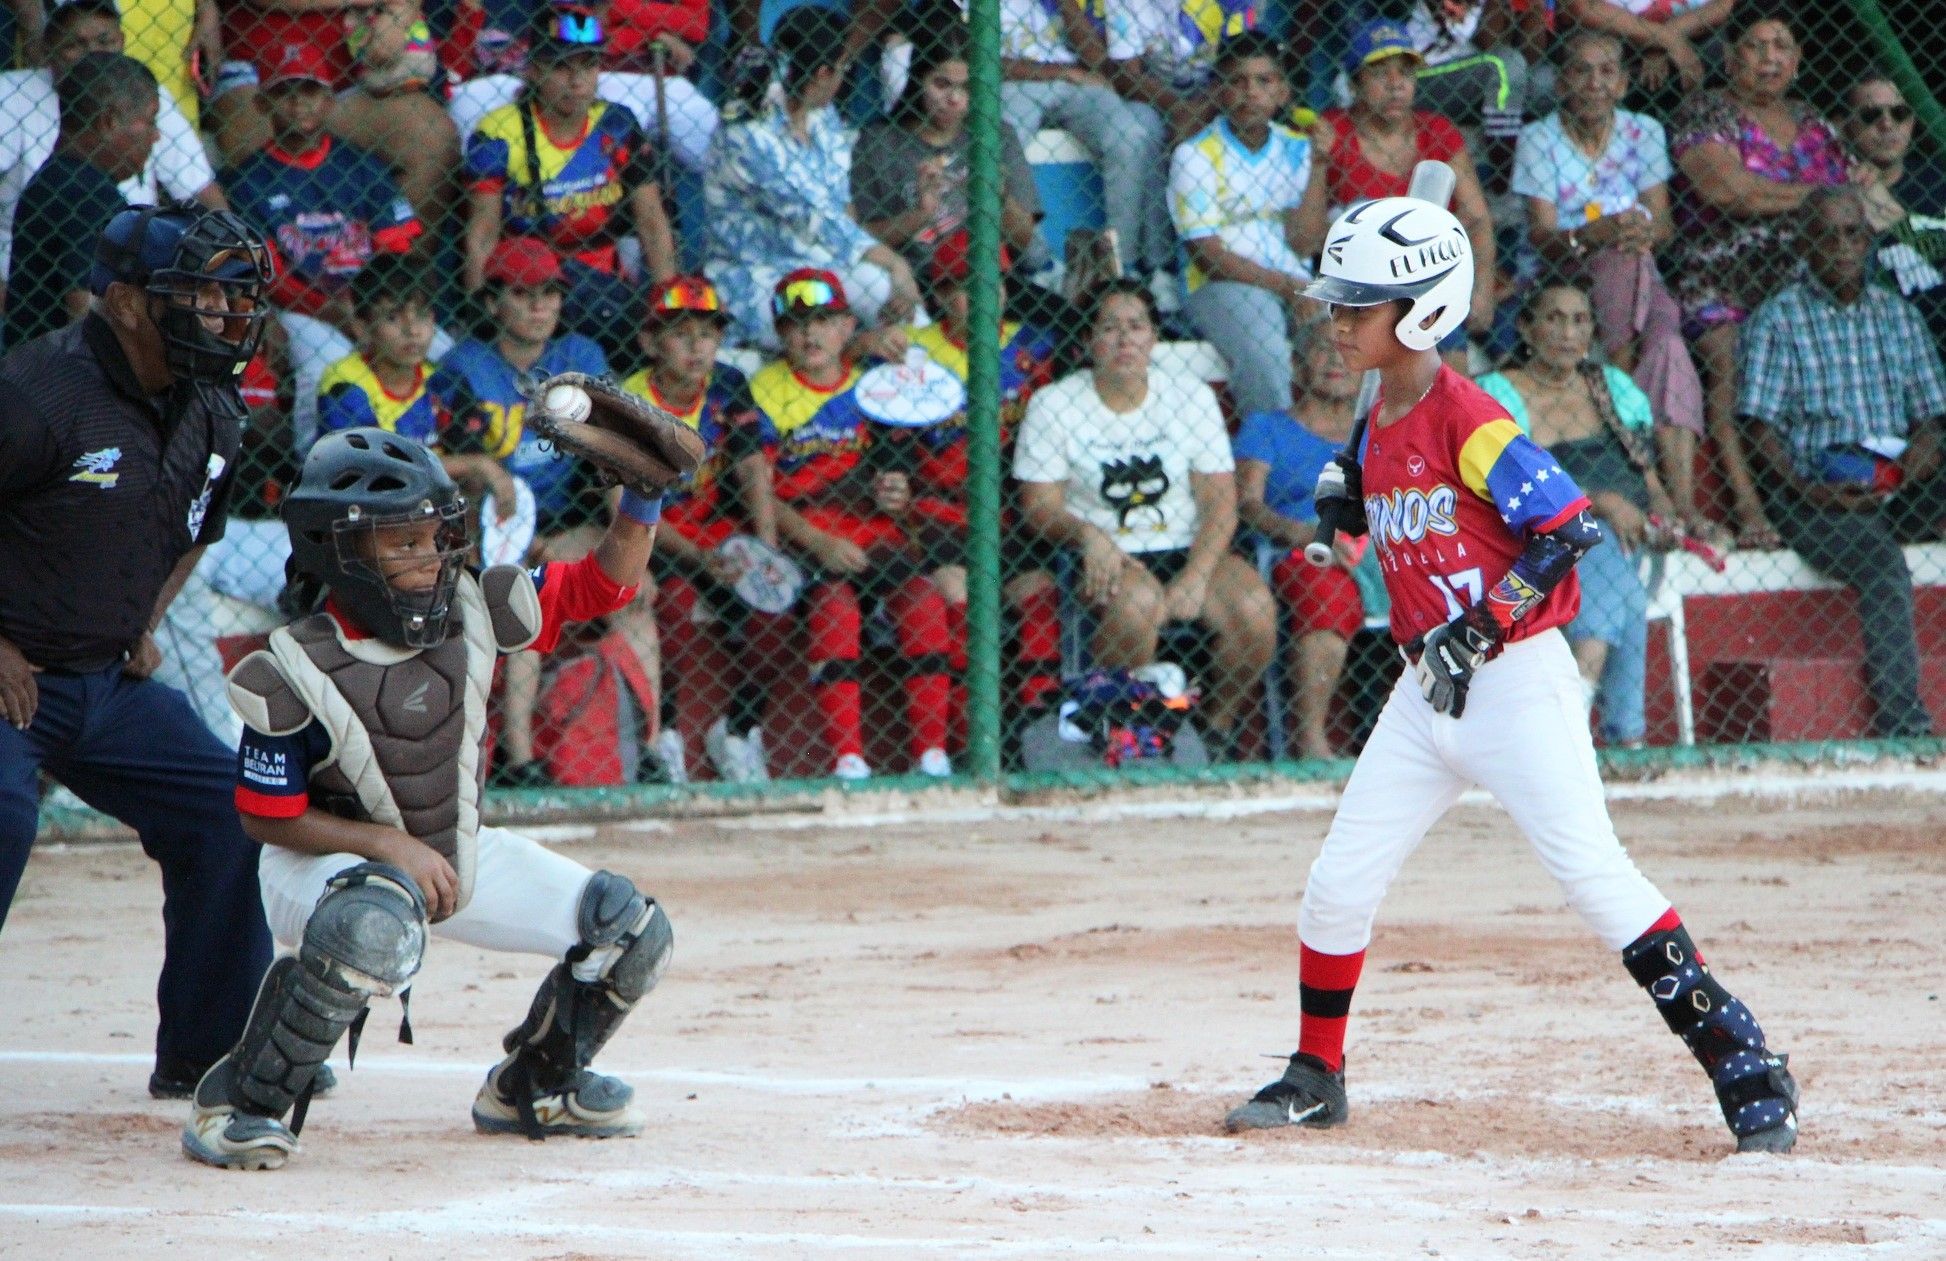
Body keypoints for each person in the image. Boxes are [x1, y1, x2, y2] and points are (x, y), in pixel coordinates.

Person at [1222, 195, 1801, 1154]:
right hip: (1426, 690)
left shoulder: (1468, 414)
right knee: (1336, 884)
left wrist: (1482, 628)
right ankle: (1316, 1074)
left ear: (1420, 313)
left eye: (1358, 305)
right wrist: (1336, 528)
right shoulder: (1383, 400)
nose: (1337, 320)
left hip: (1515, 681)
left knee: (1594, 877)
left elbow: (1566, 527)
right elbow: (1357, 475)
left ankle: (1744, 1061)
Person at [180, 427, 676, 1168]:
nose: (430, 558)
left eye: (436, 536)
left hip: (447, 855)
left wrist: (643, 498)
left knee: (629, 929)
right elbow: (263, 814)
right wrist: (386, 845)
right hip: (317, 873)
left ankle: (535, 1085)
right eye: (402, 543)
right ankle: (241, 1102)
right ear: (341, 551)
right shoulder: (295, 666)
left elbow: (606, 585)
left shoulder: (474, 607)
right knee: (371, 923)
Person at [0, 205, 278, 1100]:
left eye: (237, 298)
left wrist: (142, 619)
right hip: (12, 679)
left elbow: (195, 525)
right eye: (202, 296)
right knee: (3, 815)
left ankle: (210, 1055)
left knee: (231, 813)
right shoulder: (36, 394)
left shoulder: (215, 407)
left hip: (106, 682)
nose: (229, 318)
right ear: (124, 302)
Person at [1015, 278, 1277, 761]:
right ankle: (1121, 726)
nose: (1124, 339)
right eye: (1109, 327)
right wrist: (1087, 534)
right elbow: (1040, 507)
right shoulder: (1053, 404)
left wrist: (1196, 576)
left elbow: (1221, 501)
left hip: (1188, 545)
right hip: (1105, 553)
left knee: (1255, 613)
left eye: (1136, 326)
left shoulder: (1190, 397)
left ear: (1155, 337)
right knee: (1137, 604)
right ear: (1087, 340)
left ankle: (1210, 731)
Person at [1739, 187, 1946, 740]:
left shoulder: (1897, 316)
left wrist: (1906, 473)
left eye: (1854, 232)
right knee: (1882, 568)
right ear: (1806, 243)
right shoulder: (1778, 319)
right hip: (1819, 495)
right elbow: (1758, 428)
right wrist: (1810, 491)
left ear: (1870, 239)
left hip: (1898, 481)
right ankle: (1905, 727)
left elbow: (1931, 420)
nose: (1843, 245)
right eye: (1827, 234)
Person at [430, 238, 629, 788]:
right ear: (494, 303)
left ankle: (652, 749)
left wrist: (629, 540)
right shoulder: (463, 367)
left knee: (637, 591)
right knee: (525, 593)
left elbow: (611, 455)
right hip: (488, 527)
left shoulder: (580, 359)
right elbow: (443, 469)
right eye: (522, 294)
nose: (540, 306)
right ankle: (520, 760)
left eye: (550, 294)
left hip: (568, 523)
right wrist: (496, 515)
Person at [752, 269, 958, 780]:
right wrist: (819, 541)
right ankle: (849, 759)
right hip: (808, 535)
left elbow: (903, 469)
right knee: (835, 607)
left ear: (846, 326)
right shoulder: (765, 389)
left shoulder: (875, 383)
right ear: (780, 335)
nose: (810, 335)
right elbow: (758, 494)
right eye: (797, 324)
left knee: (923, 602)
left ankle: (932, 755)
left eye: (824, 321)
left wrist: (899, 493)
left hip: (874, 532)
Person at [1668, 1, 1849, 549]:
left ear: (1797, 60)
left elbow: (1848, 207)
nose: (1770, 58)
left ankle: (1827, 496)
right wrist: (1820, 198)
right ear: (1730, 56)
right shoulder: (1705, 112)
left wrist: (1820, 202)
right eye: (1756, 45)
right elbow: (1730, 192)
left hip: (1803, 279)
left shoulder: (1815, 122)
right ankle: (1749, 511)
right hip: (1724, 275)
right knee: (1729, 368)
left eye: (1783, 47)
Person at [1513, 30, 1709, 532]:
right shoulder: (1540, 137)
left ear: (1624, 83)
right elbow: (1542, 235)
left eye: (1606, 72)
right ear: (1561, 82)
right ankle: (1617, 379)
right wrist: (1593, 233)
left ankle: (1681, 504)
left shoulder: (1643, 131)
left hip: (1635, 264)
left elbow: (1662, 226)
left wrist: (1639, 229)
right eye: (1581, 70)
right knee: (1624, 266)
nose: (1594, 83)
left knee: (1668, 344)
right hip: (1567, 267)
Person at [1478, 279, 1688, 747]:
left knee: (1611, 565)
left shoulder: (1610, 387)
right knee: (1598, 553)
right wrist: (1603, 502)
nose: (1568, 332)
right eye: (1553, 318)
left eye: (1580, 320)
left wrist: (1662, 513)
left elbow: (1648, 479)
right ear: (1526, 329)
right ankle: (1615, 734)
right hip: (1533, 536)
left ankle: (1584, 722)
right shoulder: (1497, 393)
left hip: (1622, 536)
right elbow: (1512, 484)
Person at [222, 40, 425, 451]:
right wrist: (336, 313)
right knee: (323, 365)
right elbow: (272, 276)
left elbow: (397, 249)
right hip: (301, 309)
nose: (299, 104)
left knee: (440, 352)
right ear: (263, 103)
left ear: (330, 101)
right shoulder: (246, 182)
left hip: (376, 302)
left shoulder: (362, 166)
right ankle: (311, 468)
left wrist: (376, 309)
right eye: (286, 93)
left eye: (311, 92)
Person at [620, 275, 777, 783]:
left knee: (773, 596)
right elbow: (620, 506)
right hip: (649, 533)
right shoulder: (627, 400)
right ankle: (665, 736)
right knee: (678, 599)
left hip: (714, 529)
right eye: (680, 333)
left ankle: (737, 728)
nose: (696, 346)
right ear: (649, 342)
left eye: (707, 334)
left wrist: (766, 551)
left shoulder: (728, 384)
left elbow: (753, 467)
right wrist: (697, 556)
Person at [463, 6, 677, 358]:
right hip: (528, 287)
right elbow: (482, 235)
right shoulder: (497, 133)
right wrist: (482, 323)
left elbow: (652, 222)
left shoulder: (618, 125)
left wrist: (667, 312)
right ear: (533, 69)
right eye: (562, 66)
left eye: (588, 65)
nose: (577, 81)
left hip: (606, 285)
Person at [703, 5, 920, 352]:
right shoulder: (747, 131)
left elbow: (842, 208)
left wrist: (888, 269)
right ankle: (861, 346)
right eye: (842, 68)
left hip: (823, 261)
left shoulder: (823, 116)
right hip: (757, 276)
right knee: (852, 300)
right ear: (822, 73)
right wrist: (895, 260)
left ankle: (922, 381)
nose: (843, 76)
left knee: (885, 290)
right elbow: (818, 215)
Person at [0, 0, 224, 315]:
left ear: (121, 39)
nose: (94, 53)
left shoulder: (61, 175)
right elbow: (86, 318)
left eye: (103, 41)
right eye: (75, 44)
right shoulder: (90, 199)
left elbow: (205, 195)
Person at [1293, 20, 1499, 358]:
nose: (1395, 85)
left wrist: (1482, 288)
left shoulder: (1438, 132)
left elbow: (1476, 219)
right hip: (1356, 286)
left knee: (1449, 370)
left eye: (1404, 73)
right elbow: (1304, 240)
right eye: (1379, 73)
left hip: (1425, 283)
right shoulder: (1332, 131)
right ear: (1355, 82)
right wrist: (1319, 163)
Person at [1233, 322, 1390, 760]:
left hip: (1378, 545)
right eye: (1322, 350)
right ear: (1297, 366)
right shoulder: (1266, 428)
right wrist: (1304, 532)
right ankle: (1312, 741)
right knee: (1326, 596)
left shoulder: (1382, 431)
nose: (1336, 360)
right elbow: (1247, 502)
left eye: (1348, 350)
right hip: (1304, 547)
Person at [207, 0, 460, 232]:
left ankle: (396, 267)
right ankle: (276, 275)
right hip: (260, 75)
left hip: (346, 76)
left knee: (433, 139)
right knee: (260, 155)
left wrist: (396, 16)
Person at [1170, 31, 1315, 417]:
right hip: (1221, 285)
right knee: (1267, 354)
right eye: (1237, 81)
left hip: (1296, 280)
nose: (1250, 92)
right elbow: (1209, 258)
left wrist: (1322, 163)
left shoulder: (1298, 148)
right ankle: (1270, 460)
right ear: (1219, 91)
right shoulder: (1194, 154)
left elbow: (1304, 244)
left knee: (1349, 340)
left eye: (1264, 81)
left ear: (1283, 92)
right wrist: (1287, 287)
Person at [318, 252, 518, 515]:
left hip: (434, 510)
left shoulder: (443, 382)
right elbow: (370, 470)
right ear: (362, 327)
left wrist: (476, 467)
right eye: (393, 317)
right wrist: (474, 464)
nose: (413, 330)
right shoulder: (344, 382)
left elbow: (471, 459)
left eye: (422, 315)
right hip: (365, 515)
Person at [996, 0, 1174, 283]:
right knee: (1005, 136)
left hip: (1075, 83)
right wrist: (1059, 73)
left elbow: (1097, 61)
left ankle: (1117, 268)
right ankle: (1038, 264)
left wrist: (1066, 6)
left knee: (1130, 133)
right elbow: (974, 57)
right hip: (1009, 84)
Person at [853, 24, 1045, 284]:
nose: (954, 99)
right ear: (918, 79)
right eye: (941, 84)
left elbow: (1024, 241)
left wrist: (1001, 199)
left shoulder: (997, 135)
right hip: (921, 281)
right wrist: (919, 215)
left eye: (966, 87)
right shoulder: (878, 142)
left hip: (991, 280)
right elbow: (858, 237)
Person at [442, 0, 720, 173]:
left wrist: (630, 20)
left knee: (678, 100)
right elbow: (452, 68)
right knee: (466, 100)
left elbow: (593, 36)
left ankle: (732, 172)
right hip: (505, 81)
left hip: (588, 72)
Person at [3, 53, 158, 349]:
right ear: (110, 121)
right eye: (149, 121)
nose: (157, 136)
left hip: (28, 373)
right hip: (66, 386)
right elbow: (86, 311)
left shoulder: (51, 179)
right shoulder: (92, 196)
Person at [1843, 73, 1946, 340]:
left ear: (1912, 121)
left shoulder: (1938, 180)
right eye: (1870, 115)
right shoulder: (1836, 195)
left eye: (1899, 113)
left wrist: (1898, 221)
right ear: (1847, 125)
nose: (1887, 124)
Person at [1557, 0, 1734, 95]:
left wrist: (1666, 38)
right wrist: (1665, 38)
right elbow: (1580, 6)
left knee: (1723, 48)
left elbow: (1727, 4)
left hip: (1696, 35)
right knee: (1597, 55)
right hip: (1615, 37)